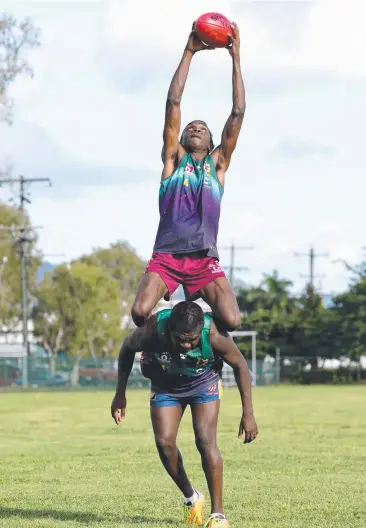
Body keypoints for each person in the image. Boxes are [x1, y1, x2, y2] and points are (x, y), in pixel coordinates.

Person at [131, 22, 246, 332]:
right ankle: (170, 333)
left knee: (233, 320)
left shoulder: (218, 165)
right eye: (190, 127)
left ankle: (199, 338)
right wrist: (189, 51)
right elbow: (173, 103)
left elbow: (237, 112)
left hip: (203, 259)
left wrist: (235, 58)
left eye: (203, 128)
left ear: (211, 143)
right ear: (180, 138)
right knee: (140, 312)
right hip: (167, 255)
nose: (196, 128)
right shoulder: (173, 160)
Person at [111, 301, 258, 528]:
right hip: (165, 385)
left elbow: (240, 365)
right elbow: (127, 347)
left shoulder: (214, 335)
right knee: (164, 443)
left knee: (205, 441)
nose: (187, 345)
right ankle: (191, 496)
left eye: (193, 339)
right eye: (181, 339)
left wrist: (248, 413)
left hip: (203, 383)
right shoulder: (153, 330)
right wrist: (120, 394)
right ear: (170, 329)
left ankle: (218, 515)